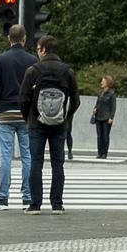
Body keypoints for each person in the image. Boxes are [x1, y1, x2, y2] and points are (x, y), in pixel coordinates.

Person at [18, 34, 80, 216]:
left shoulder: (33, 71)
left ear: (44, 50)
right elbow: (76, 101)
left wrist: (28, 116)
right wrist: (65, 117)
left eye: (38, 49)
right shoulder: (67, 72)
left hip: (36, 124)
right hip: (59, 125)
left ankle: (35, 205)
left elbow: (23, 98)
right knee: (57, 164)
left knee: (35, 163)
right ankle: (57, 204)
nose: (38, 52)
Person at [0, 25, 37, 209]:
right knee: (27, 156)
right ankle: (27, 196)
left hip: (6, 113)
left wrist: (0, 99)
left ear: (9, 38)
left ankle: (2, 197)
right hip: (25, 115)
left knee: (6, 155)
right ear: (24, 38)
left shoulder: (1, 59)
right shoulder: (32, 60)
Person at [94, 74, 117, 159]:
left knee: (105, 136)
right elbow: (97, 103)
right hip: (98, 116)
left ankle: (104, 153)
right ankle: (99, 153)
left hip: (106, 117)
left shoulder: (112, 94)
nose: (101, 82)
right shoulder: (100, 92)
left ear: (108, 82)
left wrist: (111, 117)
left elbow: (113, 107)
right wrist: (95, 109)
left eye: (103, 81)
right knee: (99, 136)